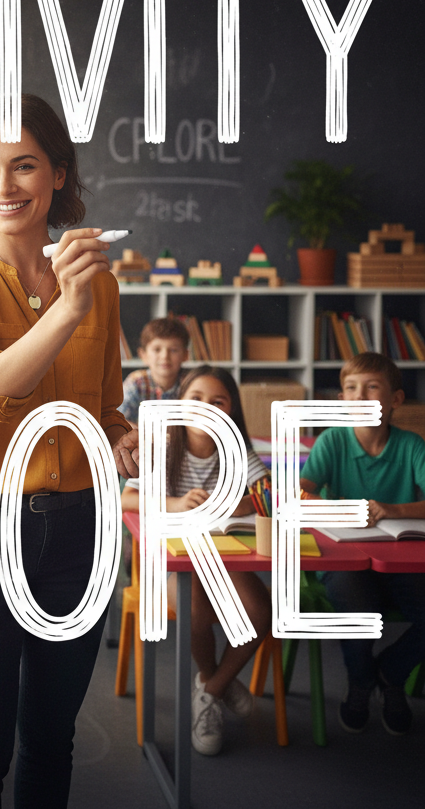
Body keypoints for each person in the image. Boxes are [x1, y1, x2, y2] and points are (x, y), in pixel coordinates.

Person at [0, 93, 135, 808]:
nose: (2, 187)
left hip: (80, 530)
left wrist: (122, 435)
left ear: (59, 175)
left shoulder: (97, 281)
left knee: (51, 738)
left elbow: (103, 408)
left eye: (24, 166)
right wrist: (66, 310)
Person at [121, 364, 271, 755]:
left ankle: (210, 688)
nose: (206, 408)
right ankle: (215, 682)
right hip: (169, 561)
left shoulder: (236, 448)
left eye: (217, 401)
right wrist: (173, 503)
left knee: (260, 611)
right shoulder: (163, 443)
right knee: (195, 609)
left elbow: (266, 494)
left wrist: (240, 503)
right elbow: (127, 497)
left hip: (223, 555)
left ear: (231, 411)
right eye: (196, 399)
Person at [300, 352, 425, 736]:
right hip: (345, 558)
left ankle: (390, 672)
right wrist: (334, 509)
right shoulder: (332, 441)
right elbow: (301, 492)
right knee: (354, 608)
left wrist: (391, 509)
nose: (359, 396)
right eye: (350, 389)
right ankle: (360, 681)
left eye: (372, 388)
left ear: (395, 401)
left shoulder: (411, 445)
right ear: (341, 400)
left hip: (402, 558)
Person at [119, 316, 190, 423]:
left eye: (174, 350)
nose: (165, 356)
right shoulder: (136, 383)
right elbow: (120, 420)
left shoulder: (191, 383)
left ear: (185, 355)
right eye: (157, 350)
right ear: (143, 355)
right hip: (142, 438)